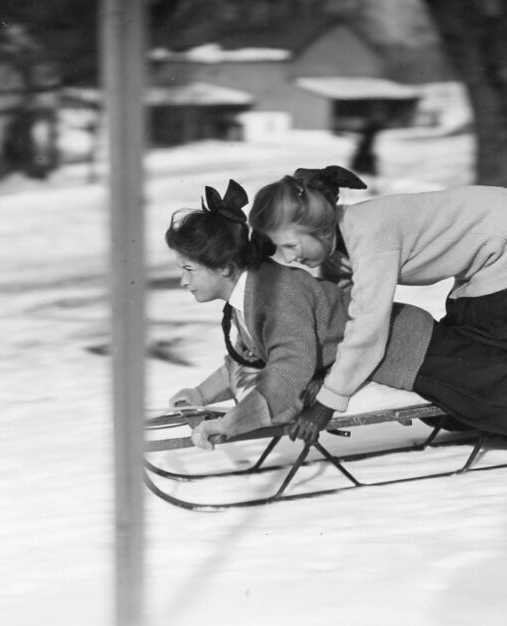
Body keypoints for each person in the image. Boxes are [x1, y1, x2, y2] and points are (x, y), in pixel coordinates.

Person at [168, 181, 507, 457]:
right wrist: (207, 392)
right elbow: (266, 347)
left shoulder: (365, 238)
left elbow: (362, 332)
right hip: (458, 286)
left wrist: (325, 404)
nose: (287, 259)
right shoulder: (305, 263)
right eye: (278, 250)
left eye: (291, 246)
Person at [164, 180, 432, 449]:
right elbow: (245, 358)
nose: (183, 281)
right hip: (386, 351)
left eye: (189, 269)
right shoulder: (249, 295)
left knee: (471, 404)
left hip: (411, 351)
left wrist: (229, 425)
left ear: (223, 266)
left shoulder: (276, 294)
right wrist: (199, 395)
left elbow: (290, 368)